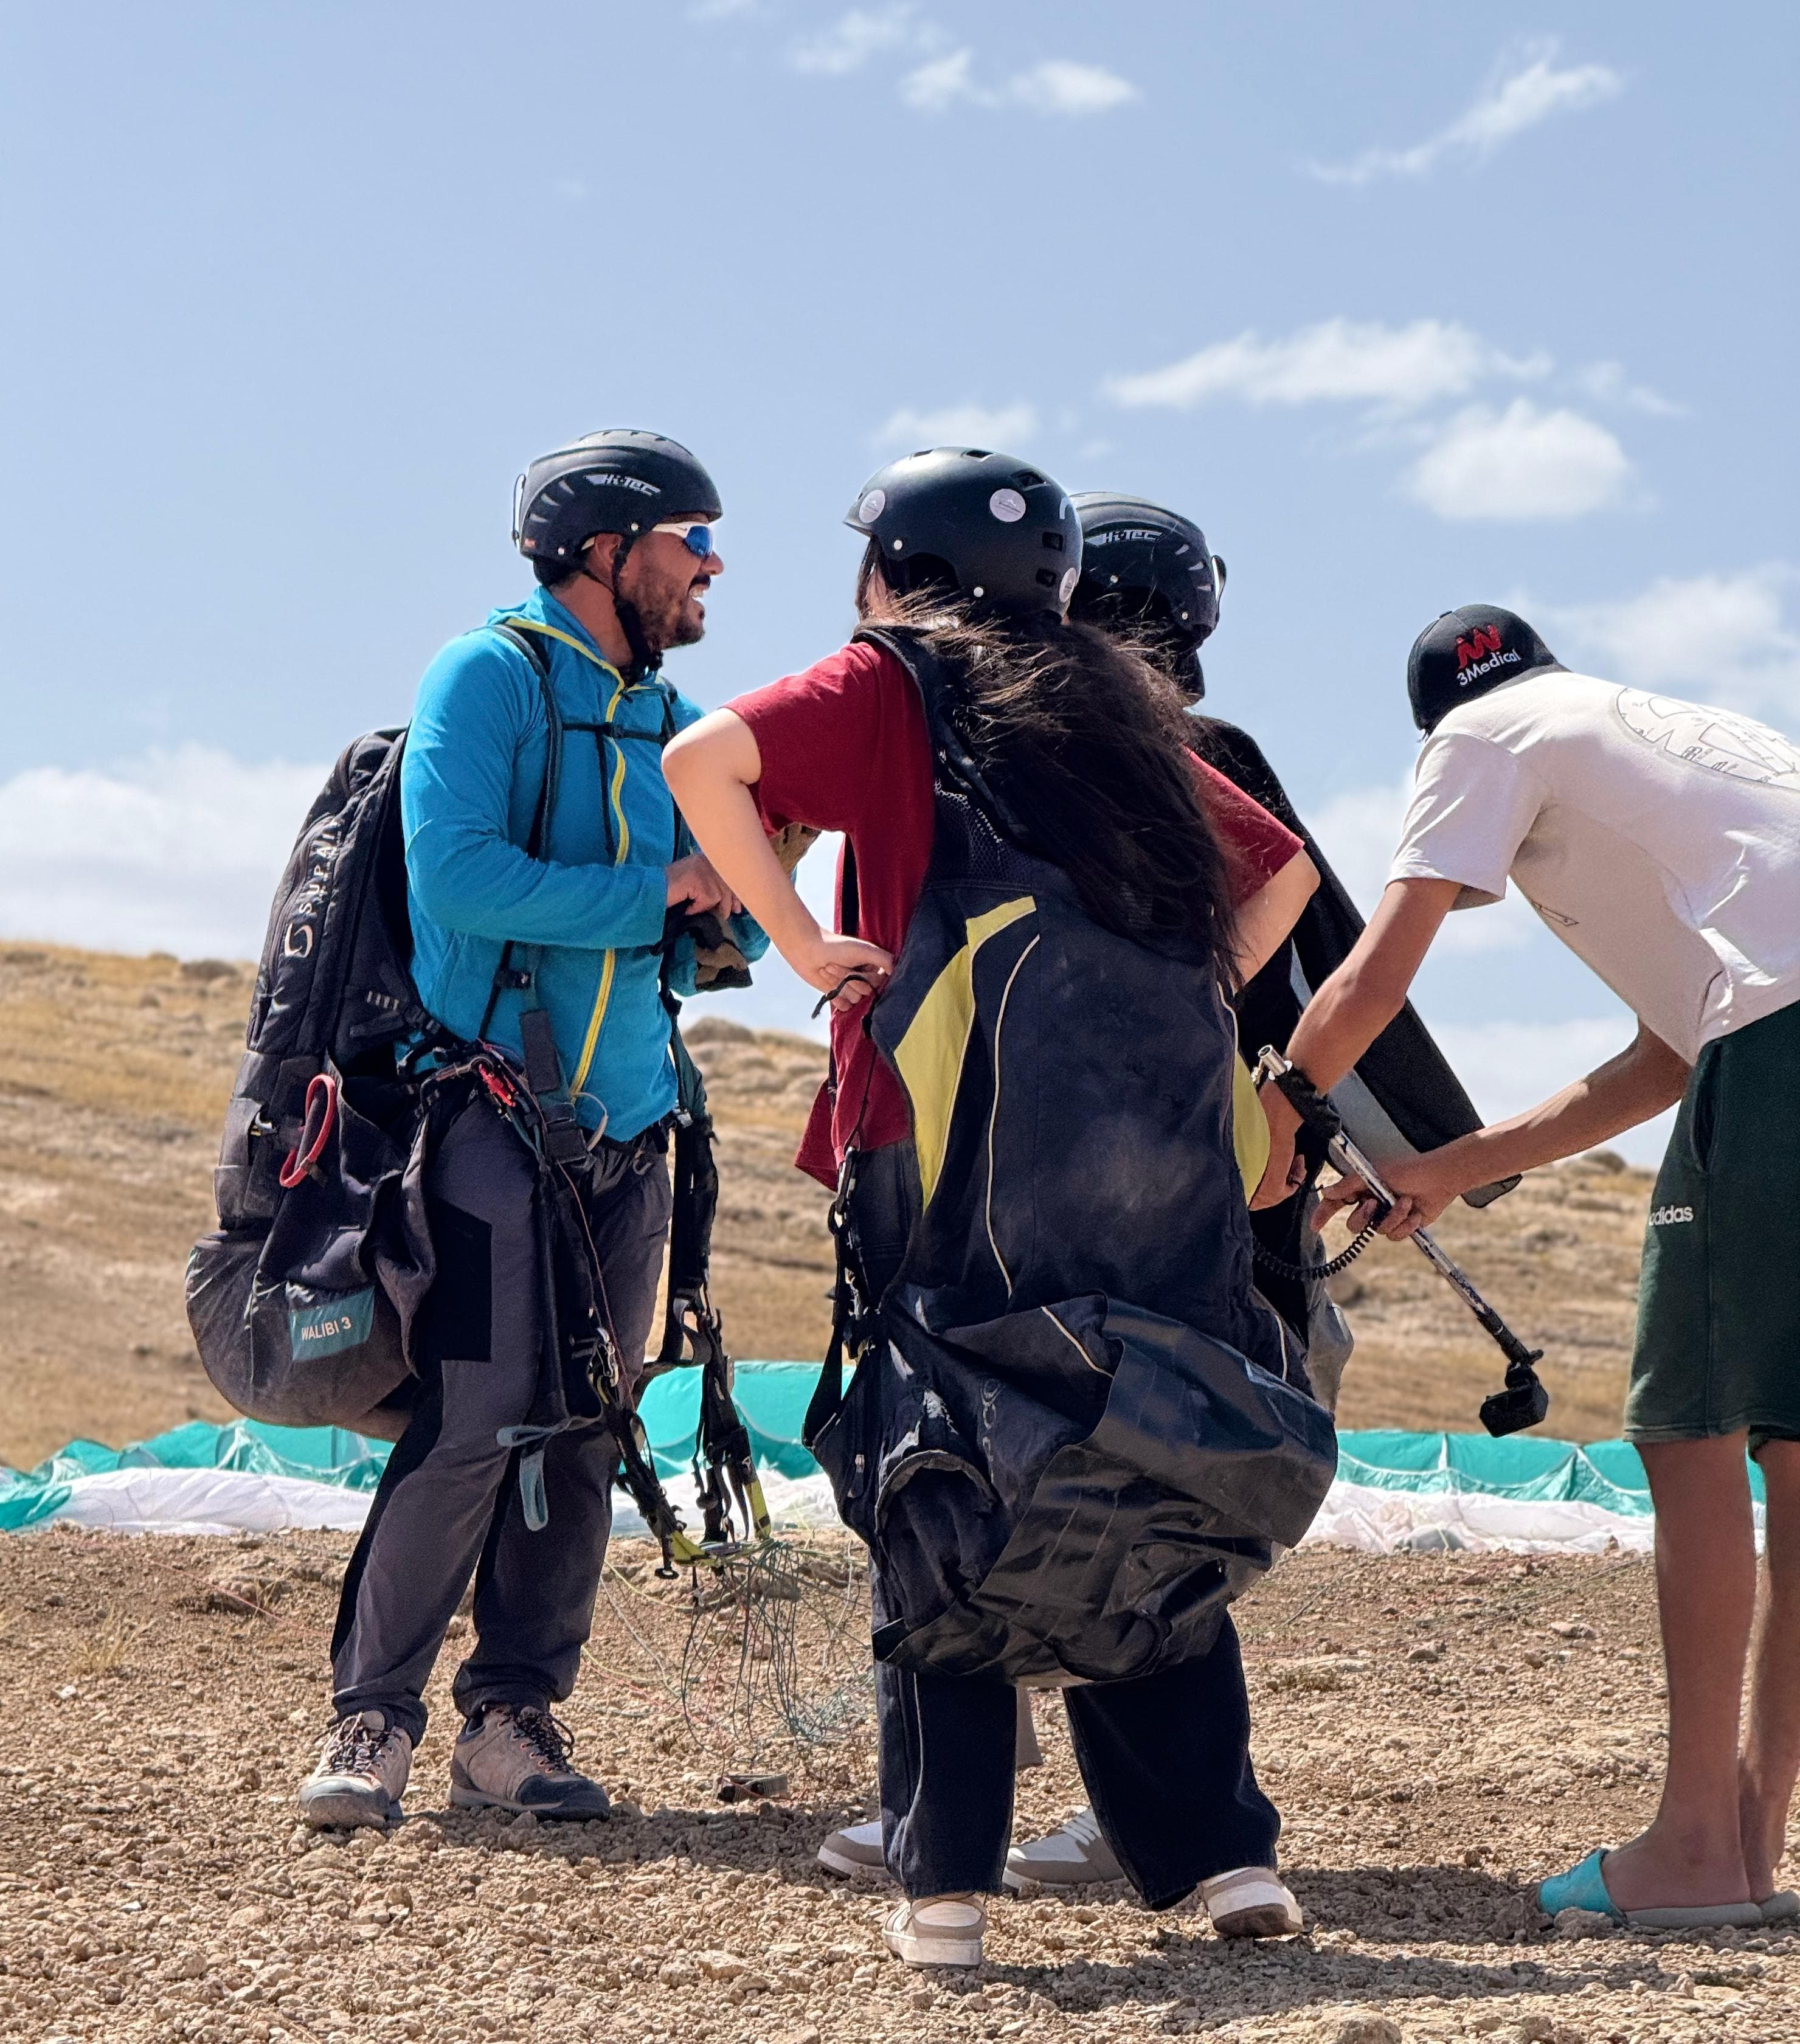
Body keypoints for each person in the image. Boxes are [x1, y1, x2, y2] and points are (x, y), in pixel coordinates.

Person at [664, 447, 1331, 1967]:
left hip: (951, 1152)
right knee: (1149, 1455)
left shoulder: (896, 679)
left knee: (944, 1473)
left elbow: (704, 763)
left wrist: (798, 946)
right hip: (1157, 1170)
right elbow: (1284, 875)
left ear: (894, 564)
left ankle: (948, 1891)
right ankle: (1226, 1866)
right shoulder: (1120, 703)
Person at [1255, 602, 1800, 1929]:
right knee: (1793, 1445)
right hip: (1762, 1037)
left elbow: (1378, 969)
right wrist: (1450, 1165)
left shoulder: (1481, 733)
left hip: (1780, 1050)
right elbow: (1662, 1060)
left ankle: (1688, 1853)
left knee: (1689, 1432)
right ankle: (1747, 1842)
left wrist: (1275, 1107)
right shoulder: (1682, 745)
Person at [297, 430, 762, 1831]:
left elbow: (667, 927)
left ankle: (510, 1718)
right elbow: (460, 872)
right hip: (491, 1116)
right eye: (691, 534)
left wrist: (714, 919)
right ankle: (369, 1722)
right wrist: (657, 889)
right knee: (478, 1418)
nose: (712, 563)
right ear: (604, 549)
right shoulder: (484, 675)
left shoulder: (663, 712)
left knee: (583, 1426)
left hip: (634, 1128)